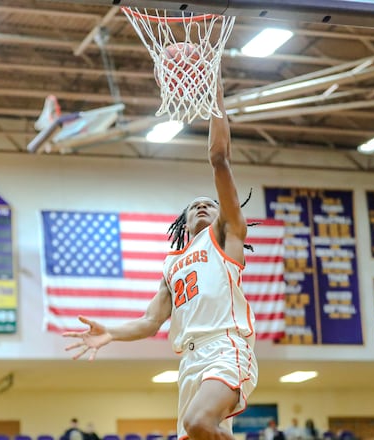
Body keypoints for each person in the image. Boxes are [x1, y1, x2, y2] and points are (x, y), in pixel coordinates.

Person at [63, 76, 258, 440]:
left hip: (225, 346)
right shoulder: (172, 265)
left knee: (198, 423)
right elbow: (152, 321)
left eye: (210, 203)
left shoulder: (227, 238)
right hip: (189, 361)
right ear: (183, 222)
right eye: (194, 205)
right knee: (198, 430)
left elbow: (219, 158)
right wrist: (110, 333)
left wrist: (214, 95)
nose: (202, 204)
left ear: (222, 214)